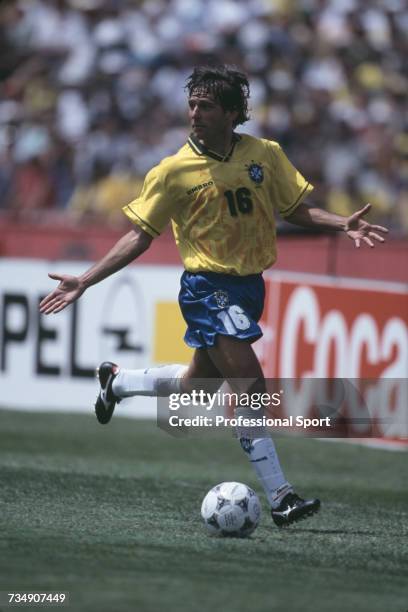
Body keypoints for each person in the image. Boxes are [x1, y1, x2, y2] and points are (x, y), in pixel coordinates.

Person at [39, 65, 388, 528]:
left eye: (206, 106)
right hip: (207, 287)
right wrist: (85, 279)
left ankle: (117, 381)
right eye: (192, 104)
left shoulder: (265, 153)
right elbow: (139, 235)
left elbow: (294, 209)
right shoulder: (172, 171)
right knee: (250, 384)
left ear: (232, 113)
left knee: (195, 391)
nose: (195, 113)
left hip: (249, 286)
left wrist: (341, 222)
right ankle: (281, 496)